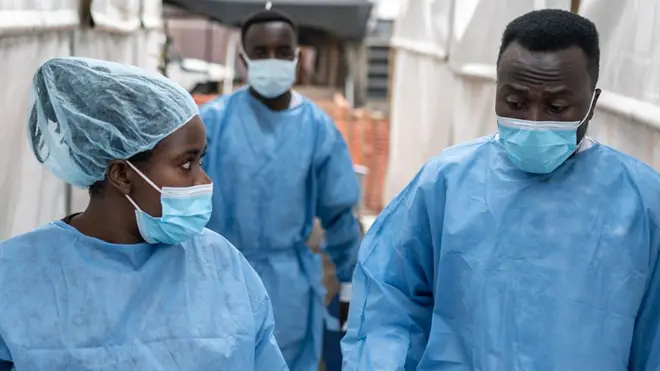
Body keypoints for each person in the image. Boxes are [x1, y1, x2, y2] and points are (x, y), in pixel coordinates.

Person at [342, 9, 660, 371]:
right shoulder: (444, 184)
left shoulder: (642, 202)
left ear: (592, 102)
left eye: (557, 106)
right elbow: (389, 301)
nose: (534, 121)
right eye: (516, 102)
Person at [0, 57, 288, 370]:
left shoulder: (221, 265)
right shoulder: (17, 275)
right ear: (122, 174)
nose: (204, 182)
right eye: (186, 164)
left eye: (201, 161)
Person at [199, 9, 361, 371]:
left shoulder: (317, 127)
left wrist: (351, 286)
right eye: (260, 52)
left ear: (296, 56)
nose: (271, 60)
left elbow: (340, 216)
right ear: (243, 60)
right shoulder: (213, 122)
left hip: (289, 290)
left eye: (281, 51)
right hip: (218, 277)